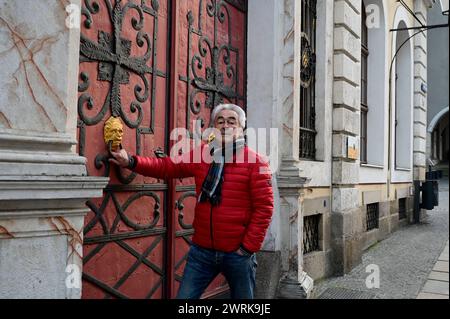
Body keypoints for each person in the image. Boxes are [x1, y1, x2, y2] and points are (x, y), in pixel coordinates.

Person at [109, 104, 274, 299]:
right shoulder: (202, 155)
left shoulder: (256, 162)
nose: (225, 126)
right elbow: (168, 167)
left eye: (232, 121)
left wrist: (247, 248)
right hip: (202, 251)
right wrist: (131, 161)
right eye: (220, 121)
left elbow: (264, 208)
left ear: (241, 128)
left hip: (237, 255)